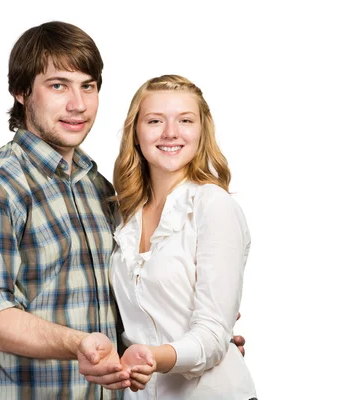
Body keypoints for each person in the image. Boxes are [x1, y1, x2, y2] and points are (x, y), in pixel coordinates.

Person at [0, 21, 247, 399]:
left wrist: (190, 341)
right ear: (21, 92)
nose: (78, 104)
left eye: (88, 85)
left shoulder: (99, 189)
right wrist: (78, 344)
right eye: (58, 86)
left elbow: (114, 302)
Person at [110, 74, 257, 399]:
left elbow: (213, 333)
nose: (170, 132)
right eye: (155, 121)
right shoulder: (123, 215)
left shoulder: (213, 206)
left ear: (201, 131)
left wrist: (152, 357)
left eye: (185, 120)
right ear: (136, 132)